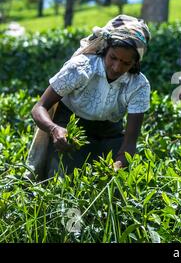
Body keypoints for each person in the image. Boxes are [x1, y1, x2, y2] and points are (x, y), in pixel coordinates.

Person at [30, 15, 151, 179]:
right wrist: (54, 129)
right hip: (71, 130)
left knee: (111, 191)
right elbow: (39, 107)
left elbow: (129, 143)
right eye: (113, 58)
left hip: (110, 134)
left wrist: (117, 167)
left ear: (135, 63)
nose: (116, 67)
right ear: (105, 50)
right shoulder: (81, 68)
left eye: (125, 63)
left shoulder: (138, 85)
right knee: (62, 184)